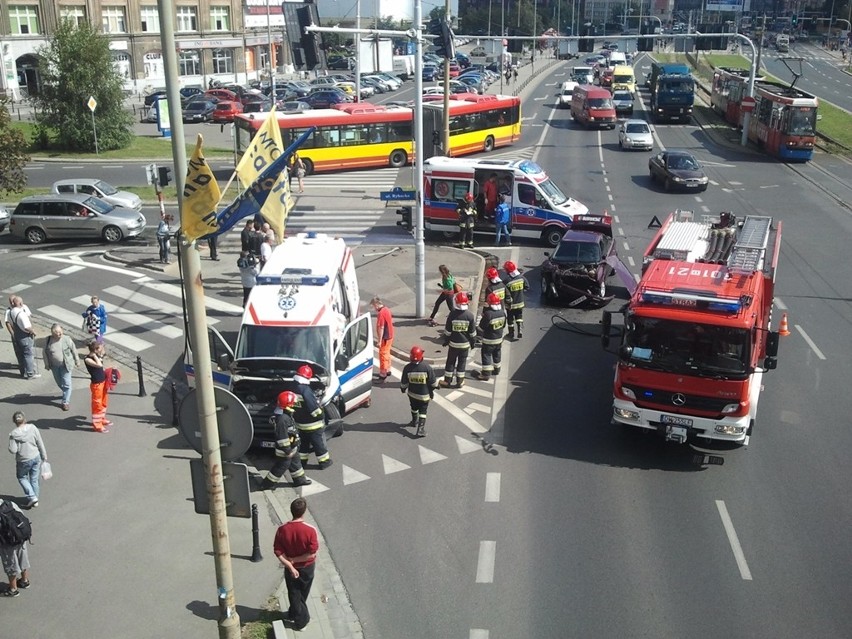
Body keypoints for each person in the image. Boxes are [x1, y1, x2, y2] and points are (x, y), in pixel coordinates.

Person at [273, 497, 319, 630]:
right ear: (304, 512)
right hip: (308, 568)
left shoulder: (282, 529)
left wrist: (290, 565)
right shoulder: (310, 530)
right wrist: (296, 561)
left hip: (290, 568)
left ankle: (294, 613)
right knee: (301, 594)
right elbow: (312, 553)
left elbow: (278, 551)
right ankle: (302, 621)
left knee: (295, 594)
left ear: (291, 511)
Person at [261, 392, 312, 489]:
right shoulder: (282, 419)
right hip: (285, 450)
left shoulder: (286, 415)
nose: (294, 404)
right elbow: (282, 438)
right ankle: (267, 484)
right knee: (281, 466)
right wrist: (287, 450)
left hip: (292, 447)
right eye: (293, 403)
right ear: (288, 405)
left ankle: (299, 480)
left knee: (296, 463)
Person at [293, 365, 332, 469]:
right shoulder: (305, 390)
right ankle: (324, 462)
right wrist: (321, 415)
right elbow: (313, 409)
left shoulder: (293, 388)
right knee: (318, 444)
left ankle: (302, 462)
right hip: (313, 425)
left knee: (303, 445)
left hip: (300, 424)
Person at [8, 412, 46, 509]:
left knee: (21, 477)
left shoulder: (14, 434)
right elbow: (39, 442)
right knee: (34, 479)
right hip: (36, 456)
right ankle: (35, 499)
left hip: (23, 460)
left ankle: (32, 497)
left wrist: (12, 441)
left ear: (14, 421)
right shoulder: (32, 427)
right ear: (24, 419)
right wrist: (44, 455)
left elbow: (13, 450)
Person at [439, 292, 476, 389]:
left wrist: (446, 341)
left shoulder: (452, 315)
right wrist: (473, 343)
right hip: (465, 345)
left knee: (450, 362)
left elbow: (447, 331)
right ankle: (460, 381)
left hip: (454, 344)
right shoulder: (470, 316)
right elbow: (472, 333)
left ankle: (447, 381)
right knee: (462, 363)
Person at [400, 346, 439, 437]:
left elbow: (404, 383)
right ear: (421, 356)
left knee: (413, 408)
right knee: (423, 411)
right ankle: (420, 429)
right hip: (424, 396)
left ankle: (414, 421)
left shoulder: (407, 368)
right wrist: (437, 386)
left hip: (412, 395)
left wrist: (403, 389)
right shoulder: (426, 367)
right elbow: (433, 383)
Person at [42, 323, 79, 411]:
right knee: (59, 382)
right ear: (52, 333)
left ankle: (65, 402)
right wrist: (46, 364)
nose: (59, 334)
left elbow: (74, 350)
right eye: (56, 333)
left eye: (60, 332)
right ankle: (67, 392)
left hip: (66, 365)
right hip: (54, 366)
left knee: (66, 383)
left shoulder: (67, 339)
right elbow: (44, 353)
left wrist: (77, 360)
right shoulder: (48, 340)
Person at [0, 498, 31, 597]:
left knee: (10, 564)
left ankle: (13, 589)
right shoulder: (9, 503)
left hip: (7, 542)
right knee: (23, 559)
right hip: (20, 536)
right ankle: (24, 581)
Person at [472, 293, 506, 382]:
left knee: (486, 355)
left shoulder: (488, 314)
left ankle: (486, 374)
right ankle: (497, 369)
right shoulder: (502, 312)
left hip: (489, 340)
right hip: (499, 339)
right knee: (497, 354)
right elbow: (503, 325)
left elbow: (481, 327)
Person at [8, 296, 38, 379]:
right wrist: (33, 331)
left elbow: (10, 323)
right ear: (20, 303)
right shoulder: (21, 314)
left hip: (17, 335)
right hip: (25, 336)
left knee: (21, 355)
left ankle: (23, 372)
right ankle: (30, 373)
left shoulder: (10, 312)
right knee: (28, 355)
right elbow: (27, 327)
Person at [84, 341, 111, 433]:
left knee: (104, 402)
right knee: (97, 405)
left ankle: (102, 419)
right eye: (100, 348)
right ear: (95, 350)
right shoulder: (88, 359)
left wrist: (99, 355)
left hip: (102, 382)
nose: (102, 350)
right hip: (96, 385)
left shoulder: (98, 356)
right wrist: (94, 355)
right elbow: (99, 365)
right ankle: (97, 425)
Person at [503, 260, 530, 340]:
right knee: (519, 316)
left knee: (510, 319)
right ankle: (520, 329)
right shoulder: (522, 278)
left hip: (510, 305)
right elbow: (527, 287)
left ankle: (511, 334)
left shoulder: (507, 280)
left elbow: (504, 291)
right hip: (520, 303)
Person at [371, 297, 394, 382]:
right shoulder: (387, 309)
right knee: (387, 353)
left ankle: (383, 374)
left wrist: (379, 340)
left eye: (374, 306)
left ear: (376, 304)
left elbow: (381, 327)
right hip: (390, 335)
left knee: (383, 355)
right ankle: (388, 369)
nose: (374, 308)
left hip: (385, 337)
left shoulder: (381, 313)